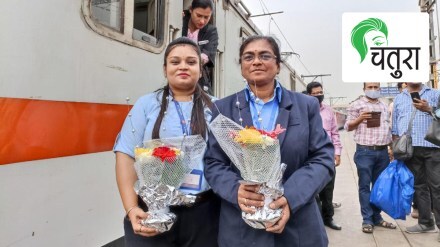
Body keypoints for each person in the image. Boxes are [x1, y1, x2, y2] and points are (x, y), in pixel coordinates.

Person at [204, 35, 335, 247]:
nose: (256, 61)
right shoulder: (223, 109)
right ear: (241, 67)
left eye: (264, 55)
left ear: (278, 65)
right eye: (248, 57)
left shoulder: (305, 105)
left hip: (298, 225)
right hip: (242, 228)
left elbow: (322, 158)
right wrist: (235, 190)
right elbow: (213, 162)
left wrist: (290, 198)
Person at [113, 37, 220, 247]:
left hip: (203, 214)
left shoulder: (216, 107)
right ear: (165, 69)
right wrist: (132, 208)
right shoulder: (146, 104)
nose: (183, 66)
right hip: (151, 210)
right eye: (175, 61)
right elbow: (125, 154)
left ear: (200, 69)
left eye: (191, 62)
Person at [344, 82, 396, 234]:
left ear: (380, 89)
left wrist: (391, 148)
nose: (373, 90)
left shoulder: (385, 105)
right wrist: (360, 119)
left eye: (376, 87)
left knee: (379, 187)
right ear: (364, 89)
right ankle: (367, 219)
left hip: (382, 152)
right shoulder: (356, 105)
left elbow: (388, 128)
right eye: (370, 87)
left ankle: (377, 217)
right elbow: (348, 127)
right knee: (365, 186)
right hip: (365, 152)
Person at [392, 82, 440, 240]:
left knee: (437, 187)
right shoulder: (399, 98)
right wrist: (394, 148)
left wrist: (429, 109)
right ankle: (426, 222)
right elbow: (395, 126)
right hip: (410, 149)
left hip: (433, 147)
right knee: (419, 186)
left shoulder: (435, 94)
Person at [307, 81, 343, 231]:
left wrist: (337, 152)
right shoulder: (303, 110)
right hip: (310, 155)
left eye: (320, 93)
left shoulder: (329, 111)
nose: (318, 96)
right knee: (312, 189)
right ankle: (315, 220)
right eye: (314, 94)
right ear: (309, 95)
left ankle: (328, 218)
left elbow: (335, 133)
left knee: (328, 189)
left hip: (327, 155)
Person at [182, 0, 219, 94]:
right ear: (191, 10)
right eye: (198, 15)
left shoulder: (211, 31)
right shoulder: (180, 21)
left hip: (200, 81)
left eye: (206, 17)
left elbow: (206, 56)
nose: (202, 21)